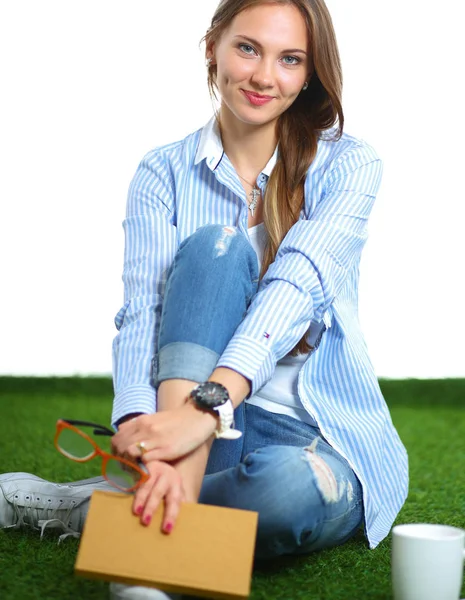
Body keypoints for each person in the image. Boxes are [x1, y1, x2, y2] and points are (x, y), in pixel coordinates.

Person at [0, 0, 409, 599]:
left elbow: (293, 287)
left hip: (318, 437)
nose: (265, 76)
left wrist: (202, 410)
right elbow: (144, 315)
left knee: (285, 496)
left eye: (290, 59)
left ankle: (104, 512)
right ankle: (164, 504)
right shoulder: (161, 171)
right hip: (203, 435)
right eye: (248, 48)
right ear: (212, 46)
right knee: (215, 248)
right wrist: (152, 430)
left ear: (310, 71)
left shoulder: (349, 164)